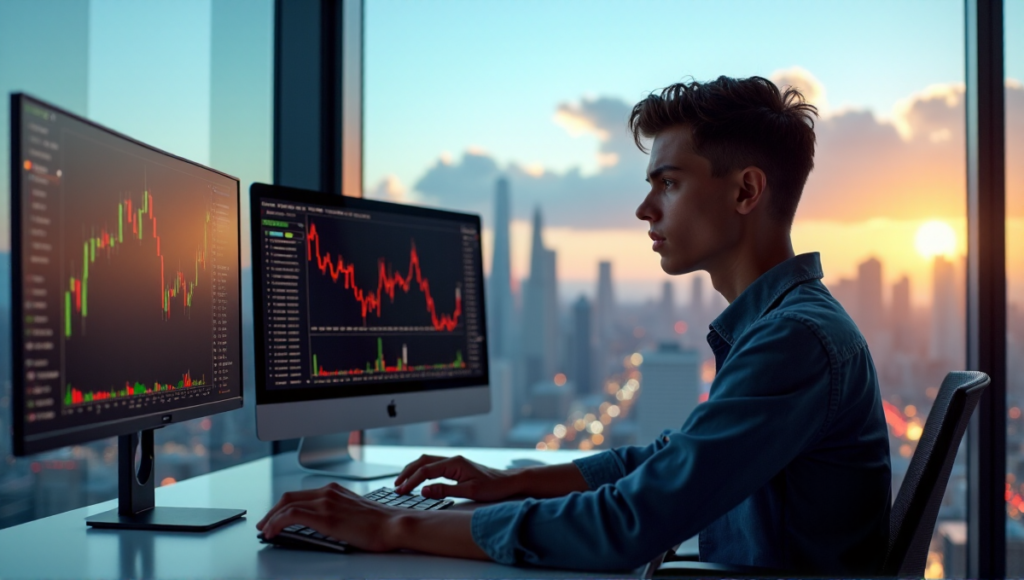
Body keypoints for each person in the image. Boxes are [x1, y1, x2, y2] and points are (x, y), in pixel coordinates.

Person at [256, 76, 892, 575]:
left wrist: (391, 526)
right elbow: (671, 460)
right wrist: (514, 481)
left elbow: (628, 523)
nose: (645, 209)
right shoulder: (785, 325)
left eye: (668, 183)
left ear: (746, 192)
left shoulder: (794, 340)